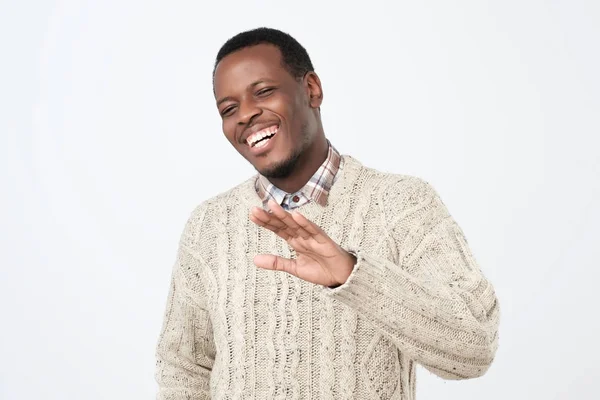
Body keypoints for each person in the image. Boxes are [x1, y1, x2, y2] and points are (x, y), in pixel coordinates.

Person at [155, 27, 500, 399]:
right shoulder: (209, 226)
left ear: (312, 89)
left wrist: (353, 274)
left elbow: (474, 349)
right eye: (229, 109)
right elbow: (183, 371)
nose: (247, 115)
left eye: (264, 92)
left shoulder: (402, 203)